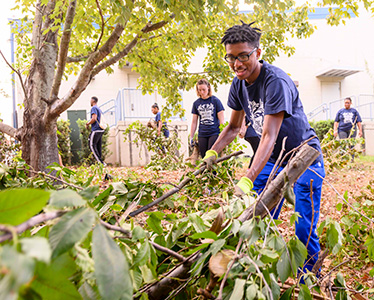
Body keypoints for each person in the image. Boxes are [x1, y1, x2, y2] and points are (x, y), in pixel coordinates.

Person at [203, 22, 325, 277]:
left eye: (243, 56)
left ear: (258, 53)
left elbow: (269, 136)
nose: (237, 64)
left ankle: (310, 278)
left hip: (304, 159)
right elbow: (234, 127)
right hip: (274, 160)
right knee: (257, 216)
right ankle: (259, 270)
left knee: (304, 226)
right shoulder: (238, 84)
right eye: (231, 58)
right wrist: (212, 153)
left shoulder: (276, 81)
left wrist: (247, 177)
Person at [190, 78, 225, 158]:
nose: (202, 92)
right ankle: (206, 171)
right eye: (199, 90)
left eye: (204, 90)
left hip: (214, 132)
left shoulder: (216, 101)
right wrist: (191, 137)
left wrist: (222, 135)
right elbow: (194, 122)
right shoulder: (196, 103)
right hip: (202, 133)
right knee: (203, 156)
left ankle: (213, 171)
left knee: (210, 156)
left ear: (208, 87)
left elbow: (221, 120)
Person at [86, 96, 105, 165]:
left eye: (90, 100)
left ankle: (100, 162)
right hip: (101, 130)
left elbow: (94, 118)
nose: (90, 102)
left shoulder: (94, 108)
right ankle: (101, 163)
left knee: (91, 145)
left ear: (93, 101)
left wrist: (87, 123)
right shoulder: (99, 109)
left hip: (96, 129)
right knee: (98, 146)